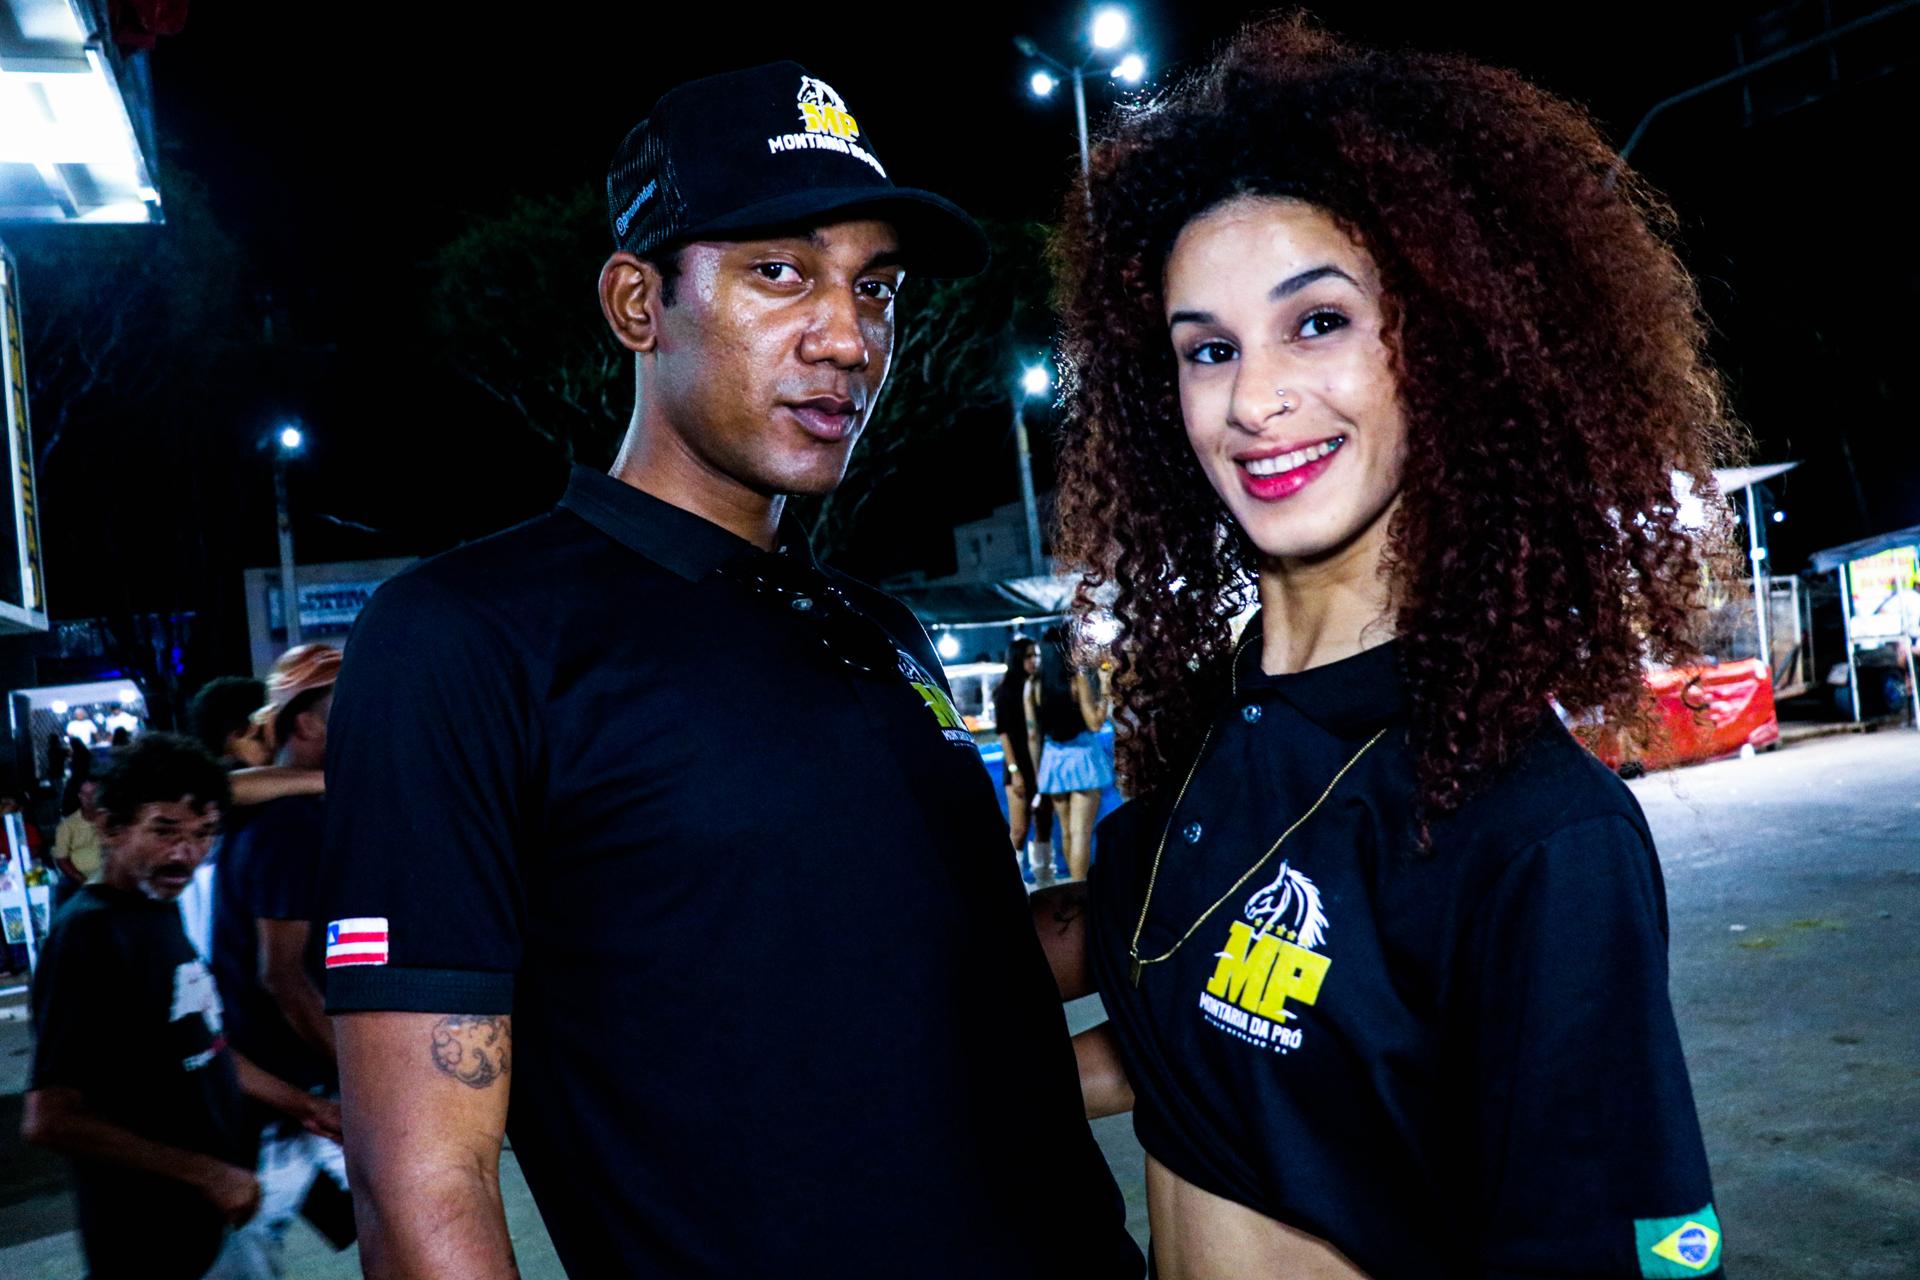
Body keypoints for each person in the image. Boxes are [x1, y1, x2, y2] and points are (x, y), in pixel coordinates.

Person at [318, 62, 1140, 1280]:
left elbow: (926, 968)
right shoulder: (465, 636)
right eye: (780, 272)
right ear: (637, 302)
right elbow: (421, 1183)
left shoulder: (878, 626)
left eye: (877, 286)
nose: (849, 337)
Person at [1036, 17, 1731, 1280]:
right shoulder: (1208, 737)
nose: (1255, 401)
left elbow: (1625, 1243)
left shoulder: (1532, 831)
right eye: (1208, 350)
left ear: (1443, 348)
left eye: (1318, 323)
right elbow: (1199, 1050)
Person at [22, 734, 341, 1280]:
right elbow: (50, 1118)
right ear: (110, 826)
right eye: (164, 830)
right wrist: (207, 1174)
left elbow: (203, 1044)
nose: (185, 853)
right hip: (147, 1239)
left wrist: (307, 1107)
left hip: (210, 1224)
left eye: (202, 834)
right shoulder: (89, 936)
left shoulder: (156, 909)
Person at [210, 644, 350, 1272]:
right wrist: (360, 1074)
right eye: (345, 709)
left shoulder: (289, 810)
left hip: (282, 1089)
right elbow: (283, 977)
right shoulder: (289, 827)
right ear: (306, 725)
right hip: (282, 1095)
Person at [1034, 624, 1112, 883]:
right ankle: (1081, 892)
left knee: (1067, 831)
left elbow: (1034, 731)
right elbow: (1095, 723)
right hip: (1082, 759)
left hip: (1053, 758)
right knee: (1081, 834)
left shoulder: (1035, 685)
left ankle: (1072, 890)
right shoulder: (1076, 680)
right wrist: (1105, 688)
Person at [994, 636, 1055, 885]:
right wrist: (1014, 769)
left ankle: (1045, 880)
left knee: (1044, 825)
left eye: (1037, 655)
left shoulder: (1041, 687)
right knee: (1019, 829)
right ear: (1017, 658)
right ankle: (1013, 885)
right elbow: (1003, 734)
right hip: (1018, 765)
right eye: (1029, 655)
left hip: (1042, 763)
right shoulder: (1005, 691)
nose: (1034, 660)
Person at [49, 778, 104, 917]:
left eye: (93, 793)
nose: (89, 798)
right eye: (85, 794)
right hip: (79, 878)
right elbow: (62, 859)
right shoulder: (67, 825)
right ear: (80, 796)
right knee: (63, 890)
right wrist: (83, 881)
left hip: (108, 875)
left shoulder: (109, 819)